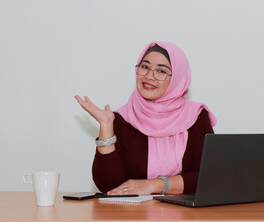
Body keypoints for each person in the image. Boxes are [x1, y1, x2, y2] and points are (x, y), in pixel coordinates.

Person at [75, 41, 216, 196]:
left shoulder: (196, 117)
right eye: (145, 67)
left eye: (161, 71)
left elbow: (209, 178)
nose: (149, 76)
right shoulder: (121, 119)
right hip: (134, 217)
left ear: (177, 78)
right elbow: (109, 186)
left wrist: (156, 185)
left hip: (184, 217)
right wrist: (106, 126)